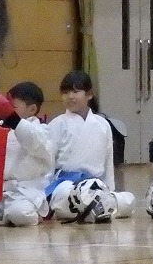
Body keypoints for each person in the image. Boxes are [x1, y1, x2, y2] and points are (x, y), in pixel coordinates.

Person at [44, 70, 135, 223]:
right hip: (66, 185)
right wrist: (44, 196)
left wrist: (109, 189)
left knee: (128, 199)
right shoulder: (57, 124)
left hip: (95, 185)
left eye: (75, 91)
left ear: (89, 94)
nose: (70, 97)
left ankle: (95, 207)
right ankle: (97, 208)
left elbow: (108, 161)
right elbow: (47, 162)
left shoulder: (103, 125)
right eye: (65, 93)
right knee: (67, 195)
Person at [0, 82, 54, 227]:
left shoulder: (42, 130)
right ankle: (5, 217)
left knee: (20, 214)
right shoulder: (1, 127)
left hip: (25, 190)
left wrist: (14, 120)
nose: (7, 111)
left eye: (12, 108)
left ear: (32, 109)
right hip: (0, 189)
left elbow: (34, 141)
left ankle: (32, 215)